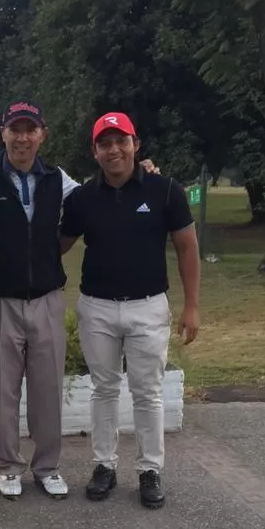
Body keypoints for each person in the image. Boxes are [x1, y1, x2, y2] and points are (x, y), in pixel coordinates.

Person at [59, 111, 200, 508]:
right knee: (103, 390)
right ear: (95, 151)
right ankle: (104, 465)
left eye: (122, 140)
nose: (114, 149)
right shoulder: (83, 198)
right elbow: (59, 245)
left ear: (136, 145)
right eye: (105, 143)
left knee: (147, 393)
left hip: (148, 306)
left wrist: (192, 306)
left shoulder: (165, 190)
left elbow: (187, 247)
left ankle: (149, 470)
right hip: (97, 308)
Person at [0, 101, 79, 501]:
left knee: (47, 388)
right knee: (4, 390)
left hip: (47, 298)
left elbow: (96, 197)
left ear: (41, 134)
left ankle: (47, 466)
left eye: (29, 129)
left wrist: (144, 173)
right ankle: (7, 466)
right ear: (2, 133)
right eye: (14, 129)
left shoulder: (57, 178)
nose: (22, 137)